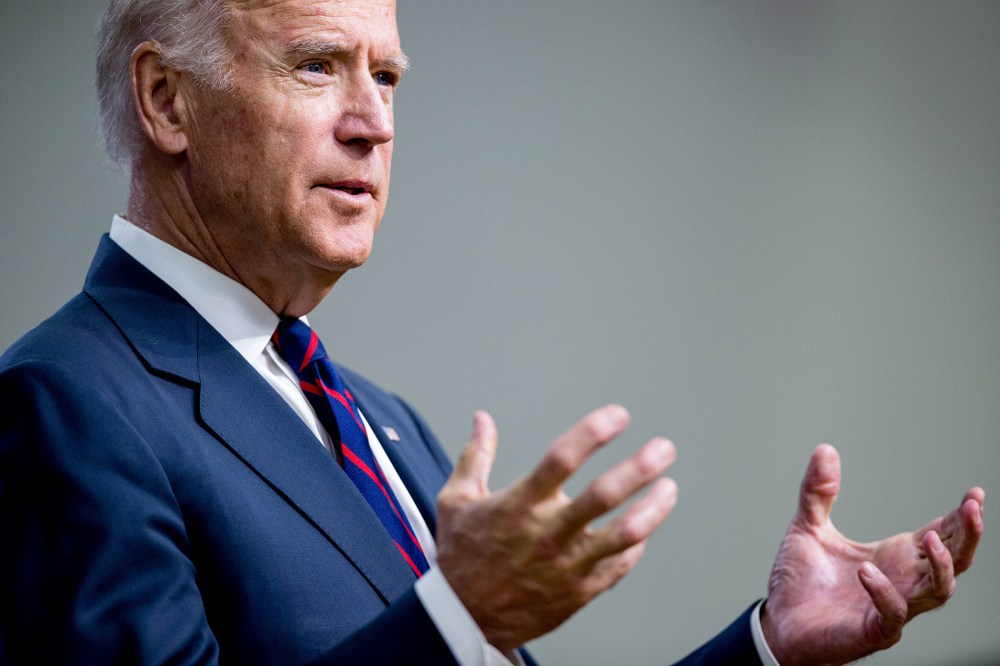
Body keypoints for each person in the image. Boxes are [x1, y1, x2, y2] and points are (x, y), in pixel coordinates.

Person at [0, 0, 984, 664]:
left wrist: (768, 644)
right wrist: (454, 621)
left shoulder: (382, 423)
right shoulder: (63, 404)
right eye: (316, 66)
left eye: (386, 77)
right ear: (166, 100)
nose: (372, 122)